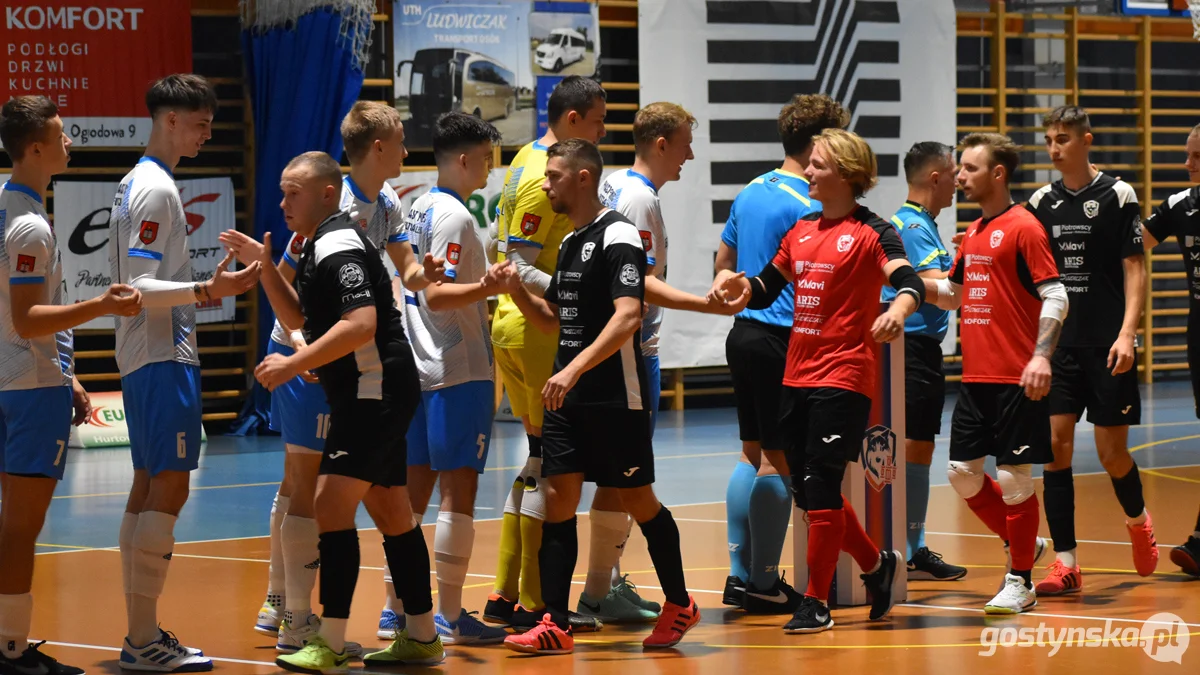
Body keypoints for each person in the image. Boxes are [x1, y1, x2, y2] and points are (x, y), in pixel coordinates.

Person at [248, 100, 444, 648]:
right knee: (304, 484)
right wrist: (301, 351)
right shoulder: (322, 208)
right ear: (378, 146)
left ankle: (331, 631)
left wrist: (421, 274)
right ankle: (285, 601)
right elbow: (294, 295)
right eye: (402, 139)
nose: (408, 150)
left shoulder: (384, 204)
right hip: (316, 353)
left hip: (354, 363)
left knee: (339, 497)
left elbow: (400, 272)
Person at [496, 139, 701, 655]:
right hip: (567, 397)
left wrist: (576, 370)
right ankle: (556, 623)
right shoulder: (568, 242)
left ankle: (680, 604)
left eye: (555, 177)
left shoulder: (619, 235)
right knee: (558, 503)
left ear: (583, 178)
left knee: (639, 500)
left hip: (614, 397)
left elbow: (628, 314)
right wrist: (517, 291)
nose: (546, 185)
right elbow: (556, 321)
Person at [711, 128, 912, 633]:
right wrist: (738, 287)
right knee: (808, 489)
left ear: (845, 173)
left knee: (820, 483)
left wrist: (900, 311)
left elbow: (906, 279)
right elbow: (765, 286)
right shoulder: (801, 229)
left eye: (818, 164)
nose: (808, 171)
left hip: (844, 375)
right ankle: (876, 565)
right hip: (796, 373)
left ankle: (816, 602)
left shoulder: (875, 231)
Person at [110, 74, 262, 672]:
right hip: (160, 353)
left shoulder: (136, 182)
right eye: (199, 124)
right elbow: (139, 288)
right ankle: (142, 638)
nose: (205, 134)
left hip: (145, 354)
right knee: (168, 485)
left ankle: (139, 634)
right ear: (170, 120)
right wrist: (209, 288)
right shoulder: (154, 189)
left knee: (150, 483)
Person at [580, 101, 746, 623]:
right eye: (684, 144)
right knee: (626, 479)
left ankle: (601, 588)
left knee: (616, 477)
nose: (689, 156)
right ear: (660, 144)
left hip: (624, 352)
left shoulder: (626, 192)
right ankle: (595, 593)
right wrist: (706, 304)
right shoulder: (637, 199)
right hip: (631, 355)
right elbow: (636, 283)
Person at [0, 96, 142, 675]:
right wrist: (102, 304)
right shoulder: (30, 226)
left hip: (19, 380)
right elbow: (29, 318)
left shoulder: (10, 207)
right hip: (29, 393)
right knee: (21, 527)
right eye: (60, 135)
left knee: (9, 523)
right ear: (35, 147)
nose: (69, 143)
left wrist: (71, 374)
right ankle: (10, 649)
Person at [713, 94, 848, 613]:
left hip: (743, 336)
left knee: (751, 452)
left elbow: (723, 261)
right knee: (779, 460)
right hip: (784, 340)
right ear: (821, 143)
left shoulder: (752, 189)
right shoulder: (812, 201)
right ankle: (765, 584)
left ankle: (740, 574)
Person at [485, 76, 610, 631]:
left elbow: (501, 243)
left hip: (515, 327)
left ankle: (505, 594)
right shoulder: (545, 176)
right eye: (601, 120)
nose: (606, 130)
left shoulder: (524, 159)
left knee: (535, 460)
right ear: (575, 119)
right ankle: (539, 603)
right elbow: (518, 261)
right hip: (536, 329)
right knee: (553, 467)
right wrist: (576, 288)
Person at [927, 133, 1068, 614]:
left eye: (968, 168)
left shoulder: (1025, 227)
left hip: (1017, 379)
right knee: (962, 476)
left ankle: (1021, 578)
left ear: (998, 174)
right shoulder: (976, 231)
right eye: (959, 168)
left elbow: (1056, 295)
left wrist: (1041, 356)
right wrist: (898, 282)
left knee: (1013, 479)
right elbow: (953, 294)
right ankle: (1022, 542)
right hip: (977, 379)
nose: (959, 176)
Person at [1025, 105, 1155, 594]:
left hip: (1106, 343)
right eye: (1049, 141)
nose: (1055, 149)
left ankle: (1138, 521)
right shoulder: (1041, 201)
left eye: (1062, 139)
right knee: (1055, 449)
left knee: (1111, 453)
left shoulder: (1118, 194)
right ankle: (1066, 563)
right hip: (1060, 344)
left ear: (1086, 140)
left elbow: (1134, 268)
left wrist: (1127, 333)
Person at [397, 111, 509, 645]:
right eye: (486, 158)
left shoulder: (415, 204)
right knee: (457, 492)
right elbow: (436, 296)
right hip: (459, 369)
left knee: (413, 496)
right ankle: (447, 614)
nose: (489, 168)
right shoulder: (457, 219)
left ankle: (398, 610)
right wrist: (490, 287)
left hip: (419, 366)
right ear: (463, 160)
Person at [881, 142, 968, 581]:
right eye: (955, 174)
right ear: (936, 177)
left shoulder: (921, 224)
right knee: (914, 446)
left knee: (917, 446)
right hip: (911, 349)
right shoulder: (913, 227)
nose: (959, 183)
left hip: (918, 350)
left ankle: (908, 543)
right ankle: (909, 548)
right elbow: (940, 288)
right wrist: (976, 262)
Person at [1141, 122, 1200, 578]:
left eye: (1195, 156)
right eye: (1187, 154)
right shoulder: (1181, 205)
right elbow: (1132, 244)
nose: (1187, 164)